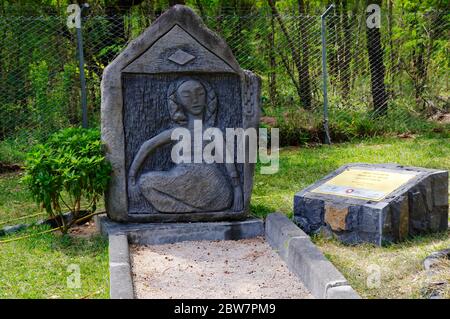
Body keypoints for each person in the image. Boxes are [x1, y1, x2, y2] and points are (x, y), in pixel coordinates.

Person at [128, 77, 243, 213]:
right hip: (190, 185)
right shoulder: (178, 132)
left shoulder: (212, 132)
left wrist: (237, 189)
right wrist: (131, 177)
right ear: (178, 102)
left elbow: (227, 159)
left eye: (200, 94)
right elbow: (147, 146)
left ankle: (184, 209)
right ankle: (192, 210)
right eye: (187, 95)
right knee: (145, 182)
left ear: (207, 97)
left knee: (145, 182)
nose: (195, 100)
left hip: (215, 190)